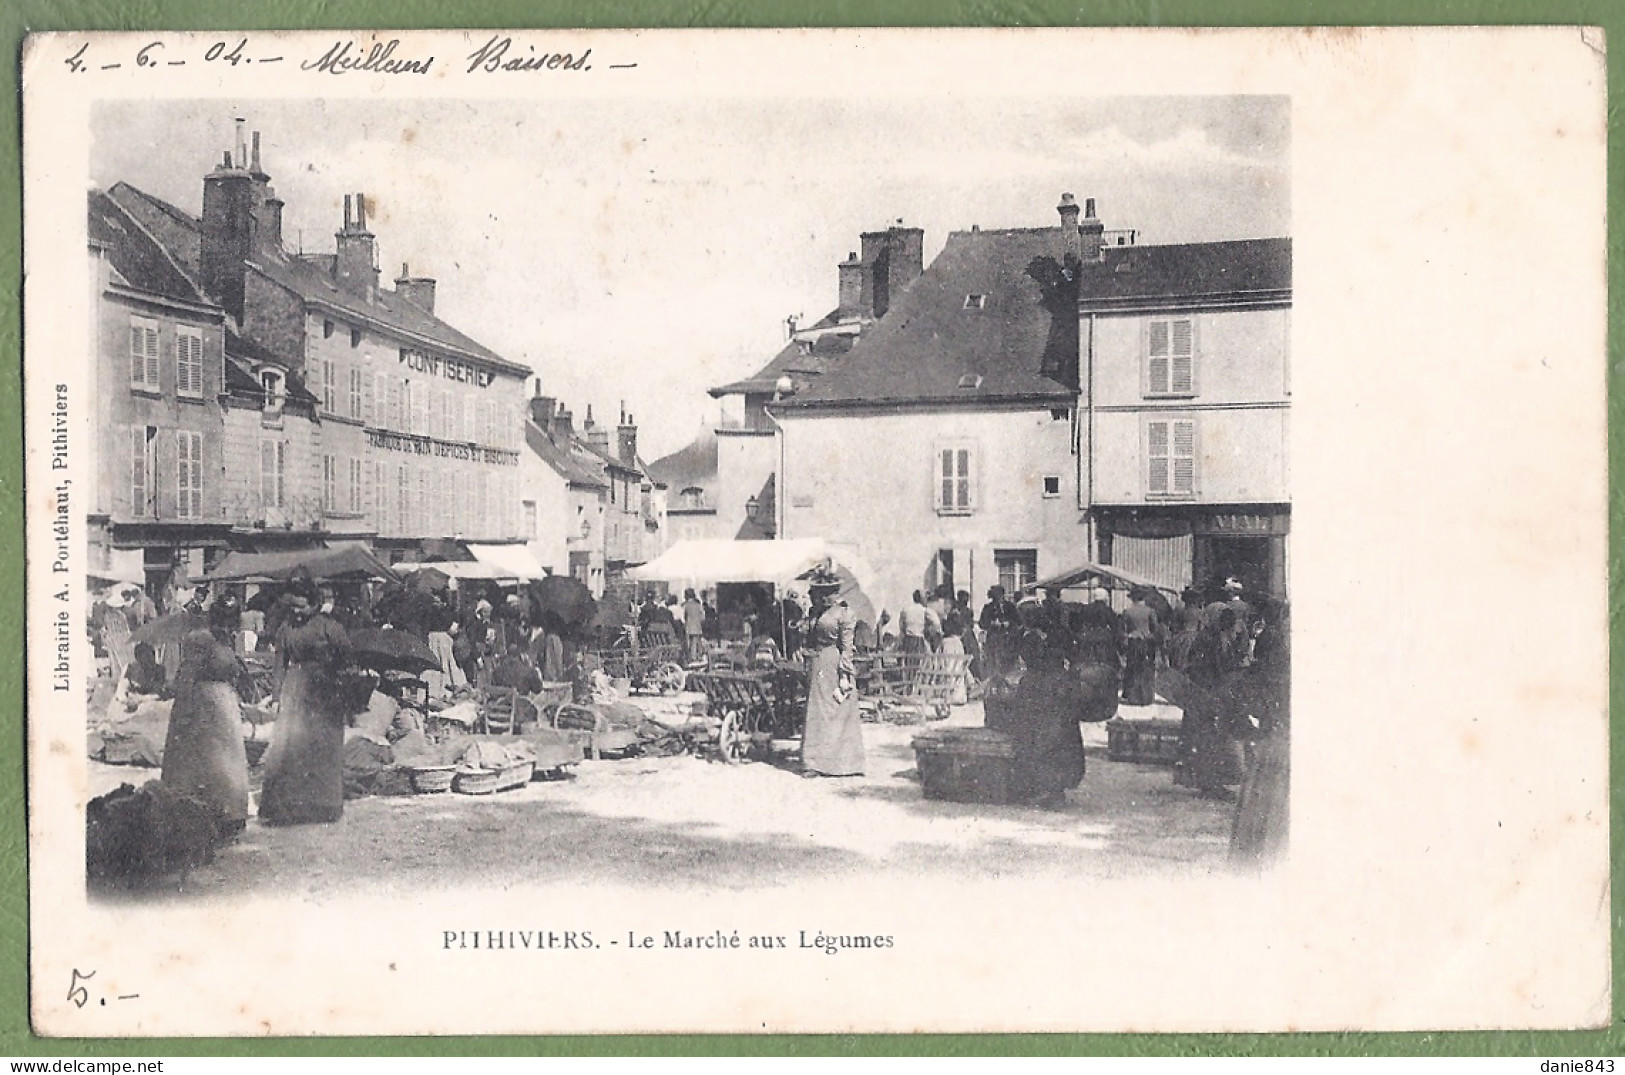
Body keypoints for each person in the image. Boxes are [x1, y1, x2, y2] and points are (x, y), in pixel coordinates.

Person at [259, 579, 353, 826]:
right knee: (292, 748)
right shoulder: (285, 629)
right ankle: (290, 806)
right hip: (295, 690)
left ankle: (323, 805)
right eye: (293, 607)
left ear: (315, 604)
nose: (297, 612)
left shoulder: (329, 627)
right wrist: (276, 696)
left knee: (322, 747)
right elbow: (279, 665)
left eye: (302, 607)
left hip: (325, 691)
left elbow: (347, 658)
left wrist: (336, 675)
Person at [162, 598, 251, 836]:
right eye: (223, 621)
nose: (228, 627)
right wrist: (185, 710)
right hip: (203, 708)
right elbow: (187, 676)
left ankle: (230, 813)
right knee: (207, 762)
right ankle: (205, 816)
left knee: (228, 762)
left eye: (231, 622)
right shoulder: (200, 639)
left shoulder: (227, 641)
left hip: (225, 708)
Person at [799, 570, 864, 777]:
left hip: (835, 665)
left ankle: (844, 763)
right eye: (818, 593)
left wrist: (845, 672)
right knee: (817, 712)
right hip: (818, 664)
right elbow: (809, 637)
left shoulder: (844, 614)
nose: (821, 597)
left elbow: (847, 647)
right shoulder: (815, 612)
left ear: (835, 592)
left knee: (838, 710)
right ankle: (814, 762)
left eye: (826, 592)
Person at [1119, 587, 1162, 706]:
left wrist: (1128, 638)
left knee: (1132, 669)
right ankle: (1146, 697)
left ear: (1132, 598)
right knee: (1146, 669)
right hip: (1147, 643)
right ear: (1144, 598)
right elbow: (1156, 630)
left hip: (1133, 643)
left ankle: (1133, 697)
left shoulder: (1127, 612)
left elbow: (1122, 630)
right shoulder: (1150, 611)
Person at [896, 590, 937, 655]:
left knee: (908, 660)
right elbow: (936, 623)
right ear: (921, 599)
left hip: (907, 640)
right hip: (918, 640)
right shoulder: (925, 610)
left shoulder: (906, 609)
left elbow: (901, 624)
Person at [682, 588, 706, 663]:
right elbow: (703, 617)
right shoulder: (698, 605)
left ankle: (691, 658)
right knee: (696, 642)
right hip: (697, 626)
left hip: (688, 627)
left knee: (689, 643)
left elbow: (683, 617)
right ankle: (698, 657)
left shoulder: (685, 605)